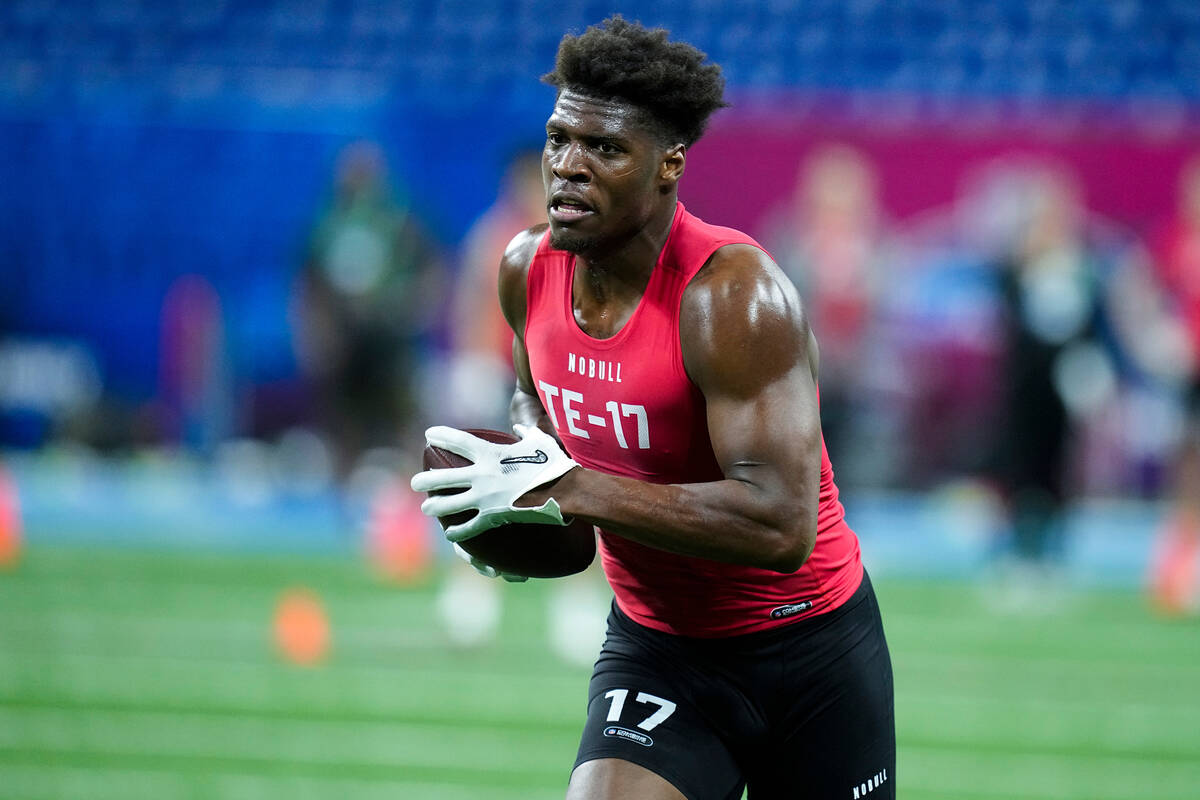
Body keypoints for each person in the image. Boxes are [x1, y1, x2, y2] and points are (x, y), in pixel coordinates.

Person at [411, 17, 894, 800]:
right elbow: (537, 406)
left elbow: (778, 525)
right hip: (657, 645)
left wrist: (562, 489)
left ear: (669, 163)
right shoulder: (524, 270)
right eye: (559, 138)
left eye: (604, 149)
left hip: (807, 647)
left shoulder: (734, 298)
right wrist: (515, 502)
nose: (568, 167)